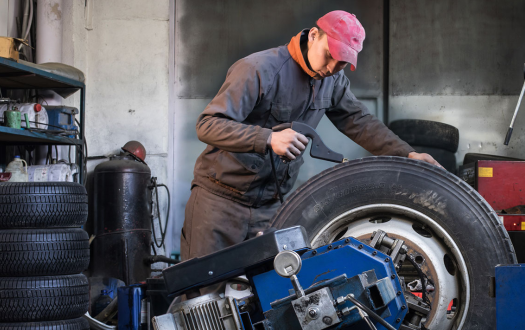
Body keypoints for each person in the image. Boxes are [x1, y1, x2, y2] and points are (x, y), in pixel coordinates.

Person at [181, 10, 442, 260]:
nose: (332, 67)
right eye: (330, 55)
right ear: (314, 35)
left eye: (342, 62)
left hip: (271, 207)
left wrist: (407, 154)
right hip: (219, 202)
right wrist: (268, 138)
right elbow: (208, 124)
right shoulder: (258, 69)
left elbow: (359, 120)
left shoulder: (333, 79)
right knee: (202, 296)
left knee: (265, 296)